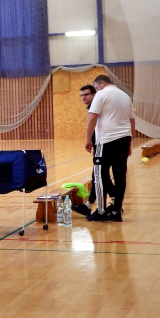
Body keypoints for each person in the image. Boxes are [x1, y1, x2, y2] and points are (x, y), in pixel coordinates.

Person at [84, 74, 135, 222]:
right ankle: (116, 211)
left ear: (100, 84)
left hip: (106, 140)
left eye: (95, 87)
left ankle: (100, 211)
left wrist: (88, 139)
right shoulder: (125, 96)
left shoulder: (101, 94)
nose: (95, 90)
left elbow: (92, 117)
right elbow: (131, 121)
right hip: (124, 139)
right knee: (120, 176)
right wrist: (130, 142)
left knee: (99, 174)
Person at [71, 84, 97, 219]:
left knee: (99, 176)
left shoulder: (96, 108)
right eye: (81, 95)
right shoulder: (91, 108)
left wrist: (91, 141)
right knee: (97, 176)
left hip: (103, 145)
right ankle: (88, 205)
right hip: (98, 145)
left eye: (86, 94)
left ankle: (116, 205)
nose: (83, 97)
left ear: (94, 94)